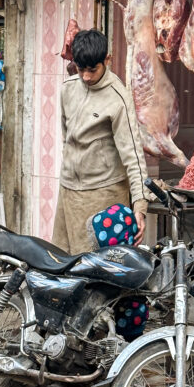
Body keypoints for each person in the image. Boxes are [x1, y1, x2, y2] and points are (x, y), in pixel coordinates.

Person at [53, 29, 148, 254]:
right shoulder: (67, 89)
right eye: (80, 69)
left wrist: (140, 207)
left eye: (92, 69)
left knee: (97, 271)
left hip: (104, 195)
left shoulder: (118, 98)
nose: (86, 76)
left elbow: (133, 157)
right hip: (68, 192)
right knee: (61, 265)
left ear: (107, 60)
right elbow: (67, 138)